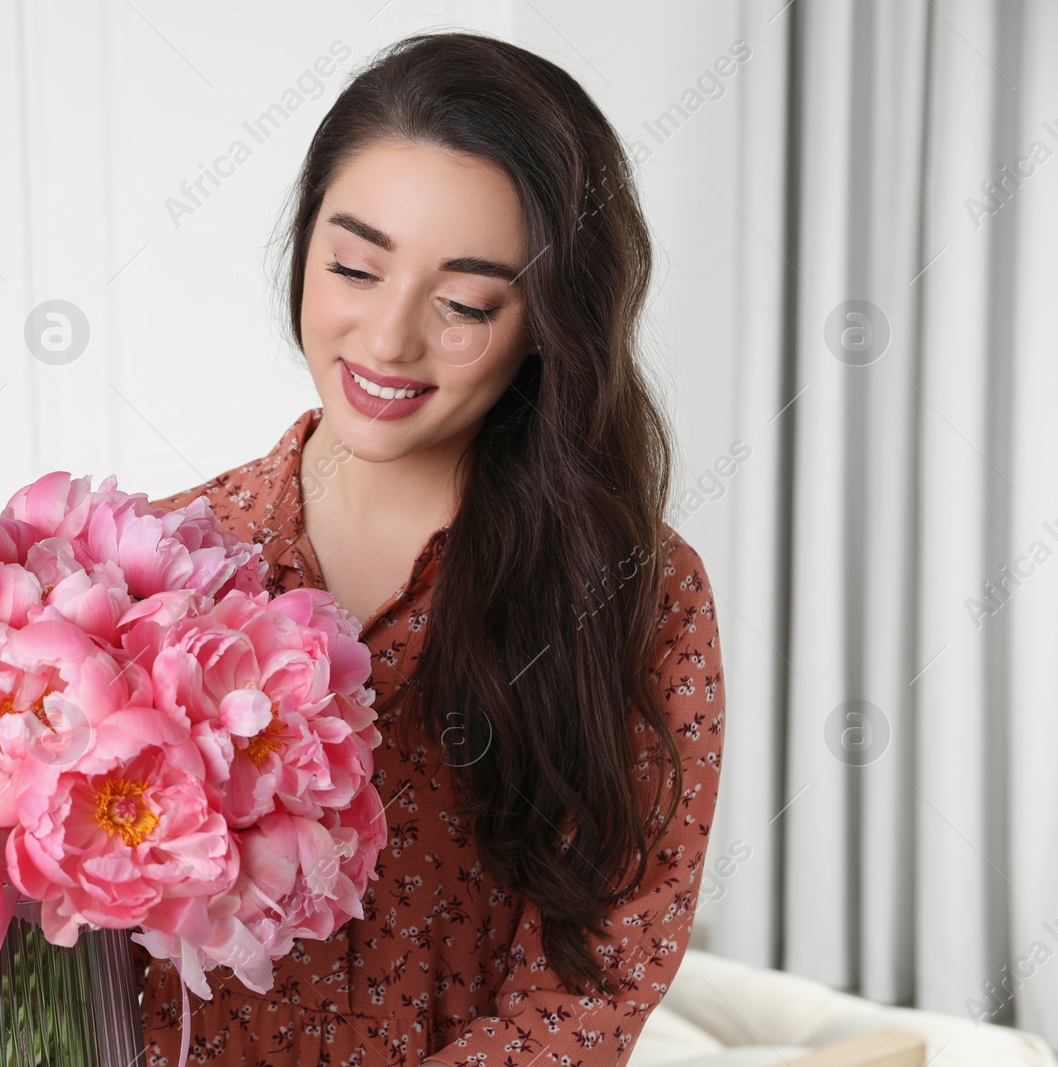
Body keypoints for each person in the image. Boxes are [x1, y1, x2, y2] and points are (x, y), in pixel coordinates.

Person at [133, 29, 727, 1067]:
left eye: (463, 303)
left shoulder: (635, 588)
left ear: (548, 319)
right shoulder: (155, 562)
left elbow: (596, 980)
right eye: (355, 266)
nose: (389, 339)